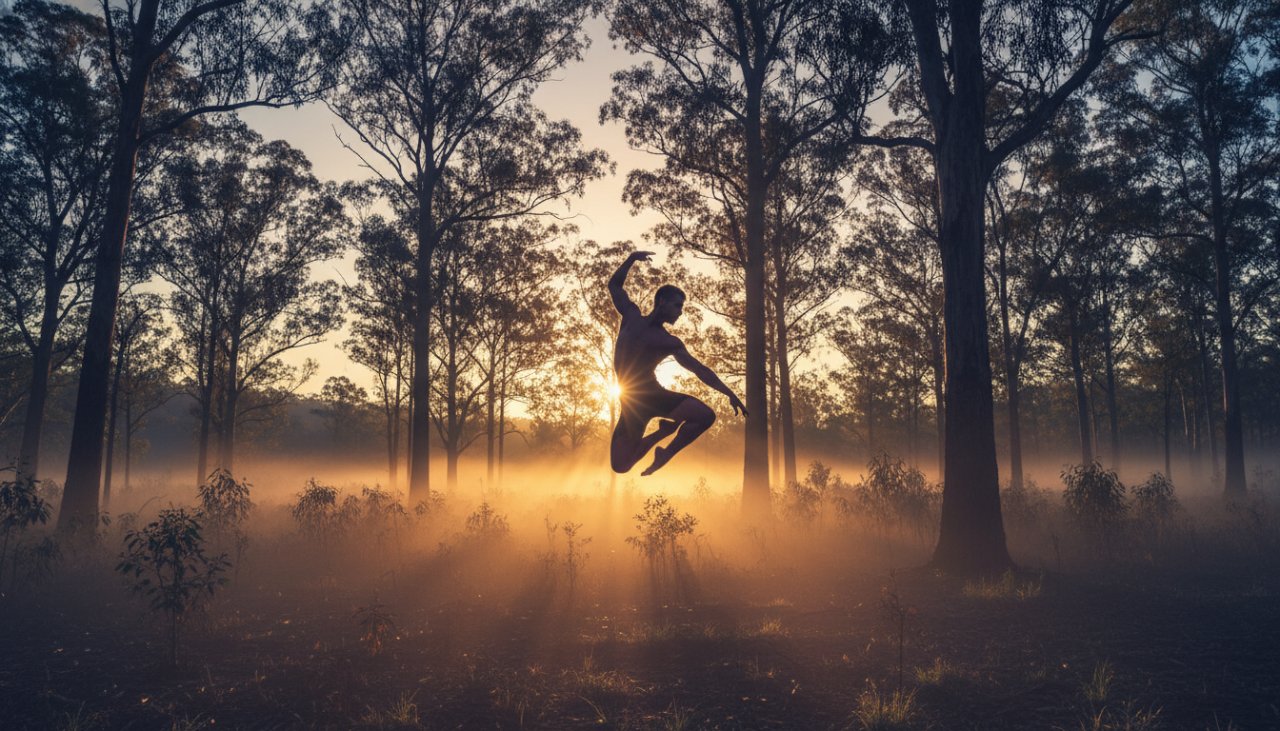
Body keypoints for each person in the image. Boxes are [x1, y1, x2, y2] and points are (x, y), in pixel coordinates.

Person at [608, 250, 746, 476]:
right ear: (661, 302)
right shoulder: (631, 317)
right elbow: (614, 286)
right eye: (677, 306)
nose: (680, 312)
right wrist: (631, 258)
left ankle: (666, 453)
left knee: (706, 416)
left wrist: (728, 392)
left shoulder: (669, 341)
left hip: (652, 395)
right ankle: (662, 433)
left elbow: (699, 369)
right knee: (620, 465)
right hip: (630, 403)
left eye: (681, 307)